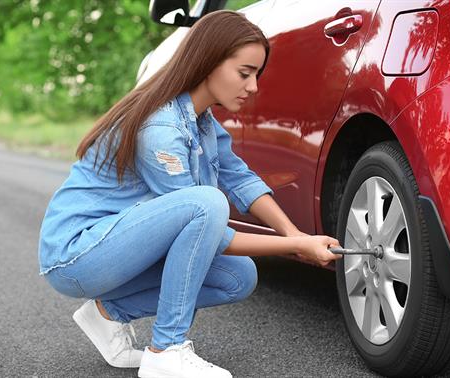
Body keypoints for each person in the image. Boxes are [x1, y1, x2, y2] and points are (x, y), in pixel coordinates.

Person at [37, 10, 341, 378]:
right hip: (75, 255)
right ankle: (165, 350)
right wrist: (294, 248)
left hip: (112, 246)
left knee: (238, 276)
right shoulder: (162, 126)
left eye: (256, 75)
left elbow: (238, 177)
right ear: (208, 63)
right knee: (206, 204)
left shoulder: (199, 119)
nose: (253, 87)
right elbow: (205, 226)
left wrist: (295, 234)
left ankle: (107, 314)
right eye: (244, 73)